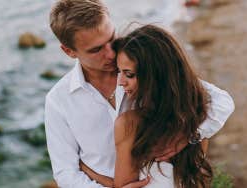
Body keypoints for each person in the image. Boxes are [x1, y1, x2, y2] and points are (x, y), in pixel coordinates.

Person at [45, 0, 235, 187]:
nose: (111, 54)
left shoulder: (143, 66)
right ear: (69, 51)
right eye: (96, 50)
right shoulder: (58, 100)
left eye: (111, 39)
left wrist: (190, 135)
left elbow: (221, 101)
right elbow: (65, 173)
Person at [81, 24, 216, 187]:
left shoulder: (129, 124)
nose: (120, 82)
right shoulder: (198, 120)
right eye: (119, 72)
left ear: (155, 75)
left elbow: (122, 186)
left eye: (129, 74)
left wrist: (88, 171)